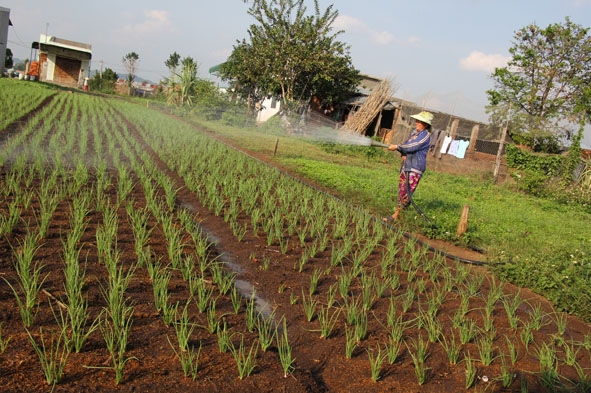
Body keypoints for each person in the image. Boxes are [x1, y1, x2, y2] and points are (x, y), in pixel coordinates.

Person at [383, 111, 433, 221]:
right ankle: (401, 215)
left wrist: (397, 146)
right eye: (417, 121)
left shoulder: (425, 136)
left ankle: (396, 215)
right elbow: (406, 145)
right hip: (407, 165)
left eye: (419, 121)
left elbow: (412, 146)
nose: (416, 123)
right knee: (402, 189)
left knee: (406, 191)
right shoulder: (414, 134)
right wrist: (402, 152)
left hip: (415, 167)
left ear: (425, 124)